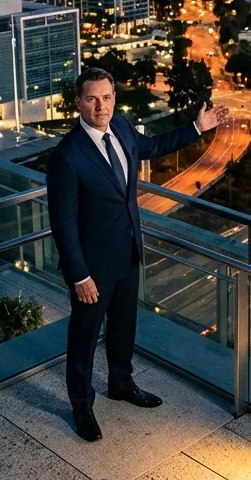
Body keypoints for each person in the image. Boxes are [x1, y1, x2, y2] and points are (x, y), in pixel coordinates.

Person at [47, 67, 227, 442]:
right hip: (92, 269)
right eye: (93, 99)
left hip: (129, 253)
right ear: (78, 103)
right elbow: (63, 223)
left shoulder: (124, 128)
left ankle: (121, 384)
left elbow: (155, 146)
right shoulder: (67, 155)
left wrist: (198, 127)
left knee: (124, 327)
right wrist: (79, 275)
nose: (101, 106)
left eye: (107, 97)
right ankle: (82, 407)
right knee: (83, 339)